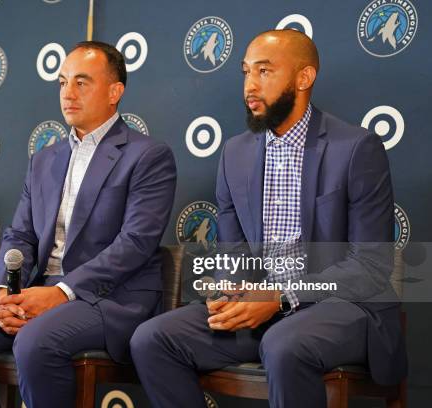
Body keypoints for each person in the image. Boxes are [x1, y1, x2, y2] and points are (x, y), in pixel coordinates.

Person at [130, 29, 407, 408]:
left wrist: (281, 297)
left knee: (284, 343)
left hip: (342, 308)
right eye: (246, 72)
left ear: (304, 78)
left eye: (264, 71)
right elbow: (235, 254)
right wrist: (230, 292)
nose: (250, 85)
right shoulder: (235, 154)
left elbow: (370, 266)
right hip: (263, 309)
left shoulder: (356, 148)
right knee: (152, 339)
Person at [0, 41, 177, 408]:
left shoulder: (147, 155)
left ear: (115, 92)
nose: (68, 93)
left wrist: (62, 292)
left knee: (35, 339)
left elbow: (135, 242)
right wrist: (3, 290)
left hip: (109, 299)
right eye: (63, 82)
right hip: (36, 292)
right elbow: (19, 235)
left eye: (82, 82)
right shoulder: (44, 159)